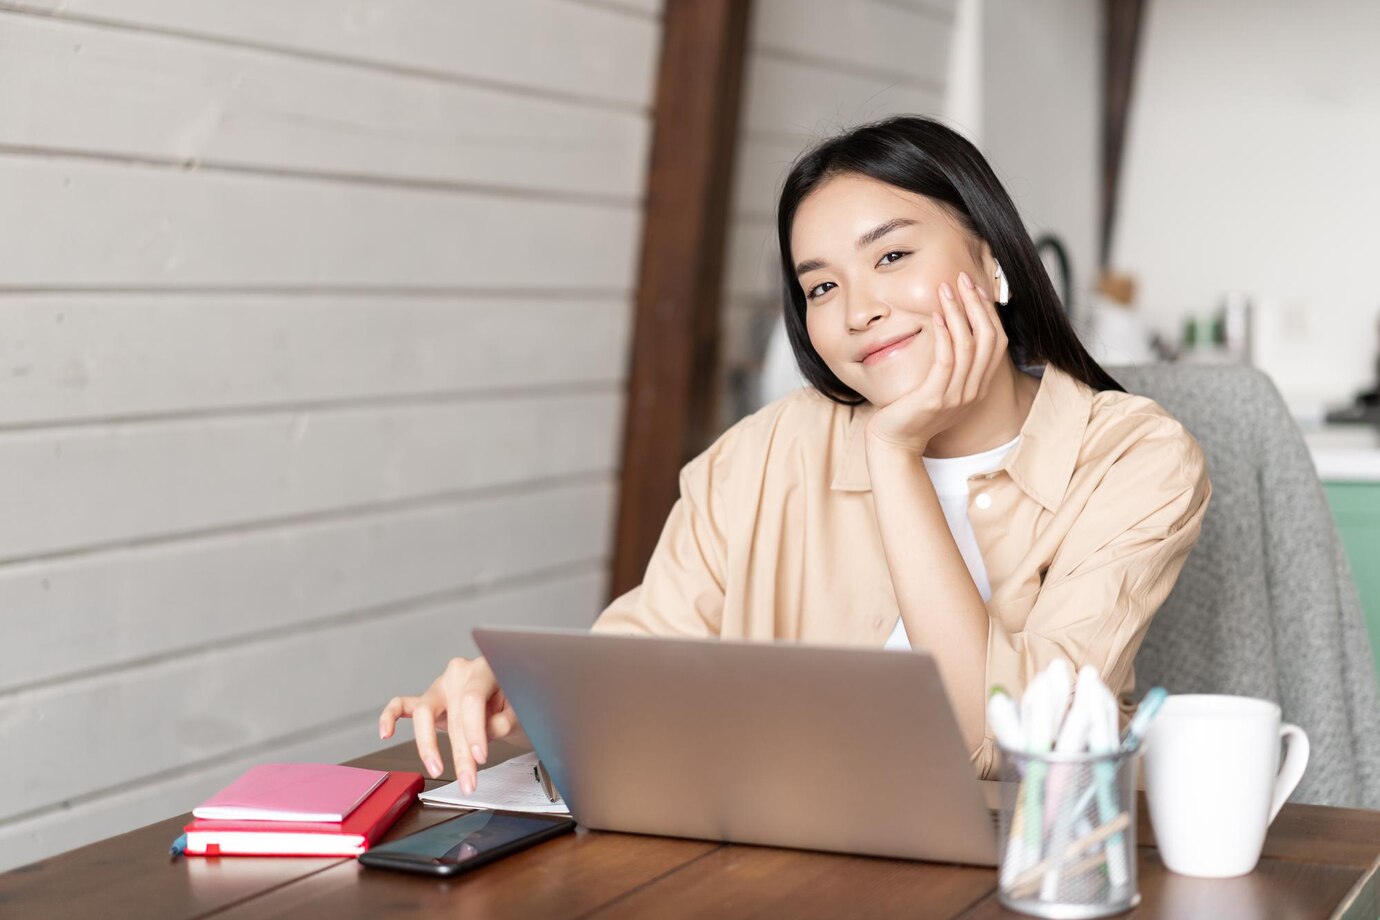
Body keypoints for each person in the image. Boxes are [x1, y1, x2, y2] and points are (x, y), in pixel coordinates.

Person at [378, 115, 1212, 794]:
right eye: (821, 286)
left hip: (1019, 875)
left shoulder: (1134, 459)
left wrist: (895, 454)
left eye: (892, 255)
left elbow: (1007, 737)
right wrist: (516, 698)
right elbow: (640, 669)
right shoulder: (764, 453)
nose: (858, 311)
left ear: (993, 261)